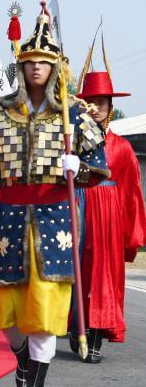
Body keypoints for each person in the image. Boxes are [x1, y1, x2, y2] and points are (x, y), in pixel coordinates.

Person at [0, 0, 110, 386]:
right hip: (8, 220)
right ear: (22, 66)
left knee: (44, 309)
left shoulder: (74, 114)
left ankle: (34, 380)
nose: (36, 66)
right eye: (30, 61)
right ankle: (21, 356)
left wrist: (83, 168)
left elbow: (99, 165)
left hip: (54, 219)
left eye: (44, 60)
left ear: (55, 67)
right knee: (7, 314)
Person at [70, 61, 146, 363]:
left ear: (110, 106)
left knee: (102, 276)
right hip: (76, 209)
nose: (96, 108)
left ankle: (97, 336)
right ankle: (77, 328)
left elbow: (131, 194)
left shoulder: (123, 148)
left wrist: (132, 233)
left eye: (101, 102)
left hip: (107, 218)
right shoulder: (71, 143)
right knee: (77, 274)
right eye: (90, 102)